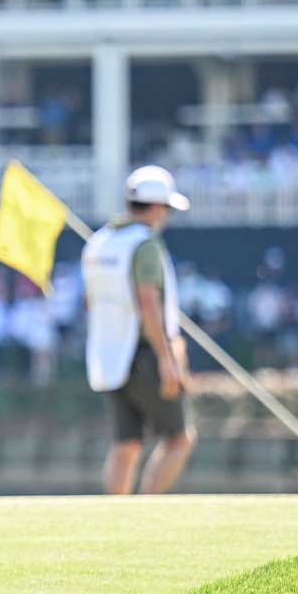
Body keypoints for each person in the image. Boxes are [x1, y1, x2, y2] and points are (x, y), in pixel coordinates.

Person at [80, 165, 196, 495]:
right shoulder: (144, 245)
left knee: (126, 443)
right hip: (145, 353)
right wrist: (167, 359)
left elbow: (90, 302)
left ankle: (118, 516)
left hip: (109, 355)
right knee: (179, 438)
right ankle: (145, 510)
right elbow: (148, 303)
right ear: (157, 207)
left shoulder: (98, 243)